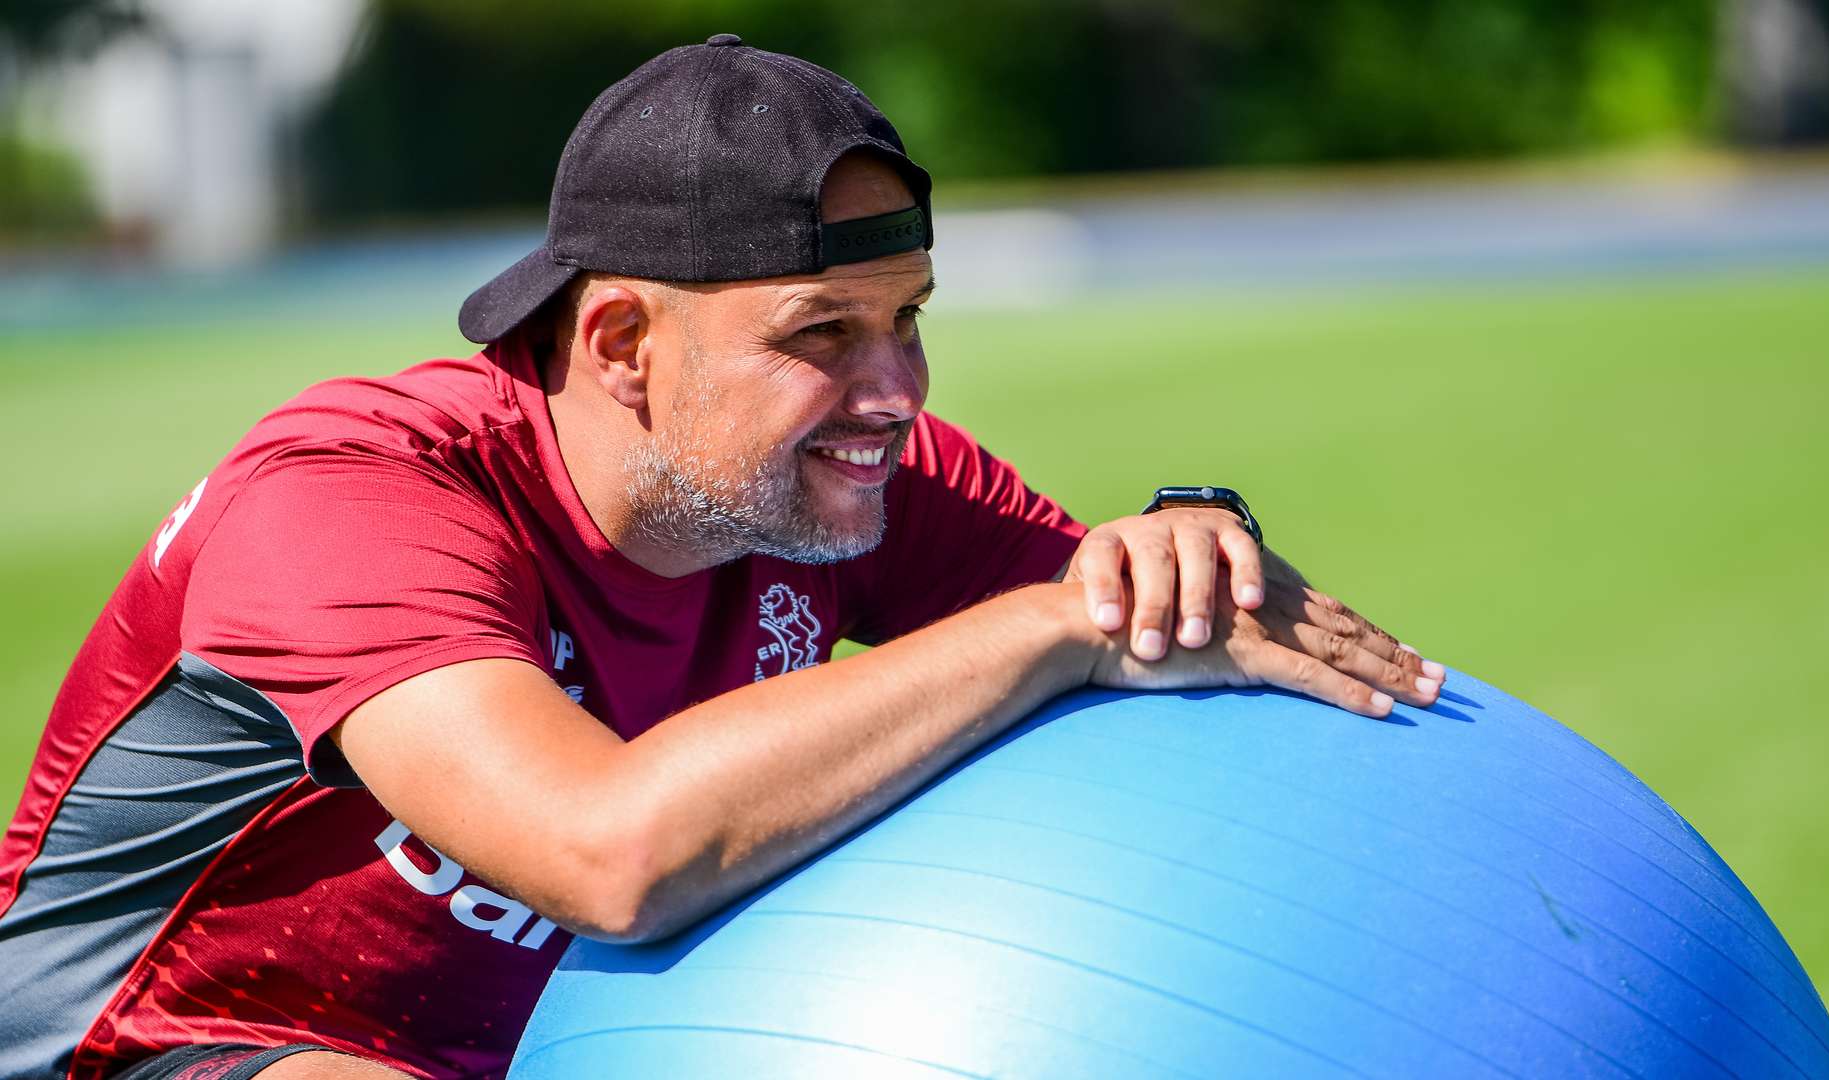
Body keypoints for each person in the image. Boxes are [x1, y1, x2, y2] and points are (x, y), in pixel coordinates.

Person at [0, 35, 1443, 1080]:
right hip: (159, 1050)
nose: (900, 392)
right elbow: (605, 852)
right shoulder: (346, 500)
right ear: (622, 341)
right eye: (825, 334)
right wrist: (1049, 627)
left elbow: (1133, 608)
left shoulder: (840, 475)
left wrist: (1183, 539)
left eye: (910, 316)